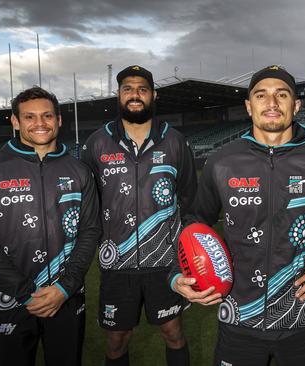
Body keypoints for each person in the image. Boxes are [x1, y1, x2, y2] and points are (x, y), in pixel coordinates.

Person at [171, 65, 305, 366]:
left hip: (304, 320)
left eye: (281, 95)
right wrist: (179, 275)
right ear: (248, 106)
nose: (271, 103)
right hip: (238, 320)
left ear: (295, 105)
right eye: (261, 95)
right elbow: (193, 222)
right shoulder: (222, 162)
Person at [82, 65, 197, 366]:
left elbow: (190, 199)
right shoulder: (96, 142)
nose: (135, 95)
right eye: (128, 89)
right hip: (116, 263)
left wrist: (187, 251)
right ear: (118, 95)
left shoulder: (175, 140)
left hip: (166, 262)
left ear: (153, 95)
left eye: (142, 89)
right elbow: (88, 203)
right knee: (117, 339)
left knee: (173, 332)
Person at [0, 87, 101, 365]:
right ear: (15, 121)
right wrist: (24, 292)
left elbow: (90, 230)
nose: (39, 123)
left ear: (58, 119)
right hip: (10, 298)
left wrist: (65, 287)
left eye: (47, 115)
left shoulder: (80, 170)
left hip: (66, 295)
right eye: (29, 117)